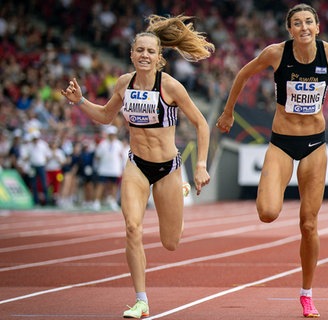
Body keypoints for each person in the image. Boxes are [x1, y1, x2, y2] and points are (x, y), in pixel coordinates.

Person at [60, 14, 213, 318]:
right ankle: (141, 300)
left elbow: (201, 124)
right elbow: (105, 116)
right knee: (132, 227)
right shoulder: (123, 84)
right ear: (131, 55)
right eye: (139, 50)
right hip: (137, 166)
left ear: (160, 59)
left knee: (171, 242)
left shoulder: (171, 87)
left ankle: (178, 192)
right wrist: (80, 102)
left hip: (168, 167)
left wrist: (201, 166)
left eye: (151, 52)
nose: (144, 55)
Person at [216, 3, 328, 318]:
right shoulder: (276, 54)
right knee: (268, 213)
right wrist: (228, 112)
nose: (304, 27)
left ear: (318, 27)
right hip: (282, 142)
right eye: (297, 23)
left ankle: (307, 294)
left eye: (309, 21)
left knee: (309, 224)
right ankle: (268, 183)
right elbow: (243, 73)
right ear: (290, 29)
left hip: (314, 145)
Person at [93, 125, 126, 211]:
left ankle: (112, 201)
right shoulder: (103, 144)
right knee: (100, 185)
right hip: (104, 168)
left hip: (115, 169)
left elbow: (121, 156)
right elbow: (97, 156)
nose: (112, 136)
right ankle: (96, 202)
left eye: (113, 134)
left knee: (114, 186)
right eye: (110, 134)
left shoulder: (118, 144)